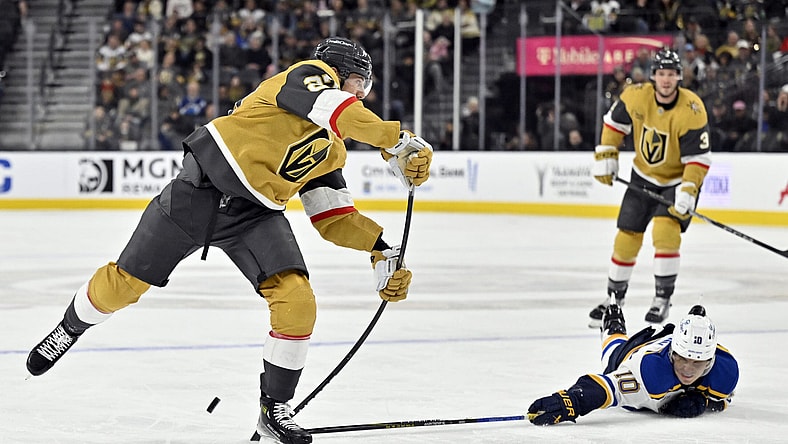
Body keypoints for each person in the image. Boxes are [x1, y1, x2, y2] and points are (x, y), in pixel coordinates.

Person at [26, 37, 433, 444]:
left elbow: (333, 217)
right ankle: (70, 327)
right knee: (123, 285)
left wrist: (380, 248)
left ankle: (274, 408)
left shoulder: (331, 151)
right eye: (359, 81)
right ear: (338, 72)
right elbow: (341, 111)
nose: (363, 92)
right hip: (197, 194)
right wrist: (396, 141)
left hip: (255, 216)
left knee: (297, 301)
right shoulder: (307, 77)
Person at [589, 48, 711, 327]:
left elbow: (698, 158)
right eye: (661, 74)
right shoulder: (636, 95)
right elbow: (614, 123)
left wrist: (689, 189)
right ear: (653, 75)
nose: (666, 79)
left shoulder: (692, 109)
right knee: (626, 236)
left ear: (679, 77)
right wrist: (607, 153)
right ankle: (614, 299)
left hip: (676, 181)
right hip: (642, 176)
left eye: (671, 74)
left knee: (665, 232)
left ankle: (662, 300)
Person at [527, 303, 739, 425]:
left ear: (710, 361)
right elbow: (609, 388)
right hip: (635, 351)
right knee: (613, 354)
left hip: (665, 341)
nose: (688, 369)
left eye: (697, 362)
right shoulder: (648, 371)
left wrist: (705, 403)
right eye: (682, 358)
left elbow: (721, 400)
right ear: (673, 352)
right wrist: (571, 401)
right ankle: (612, 324)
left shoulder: (725, 372)